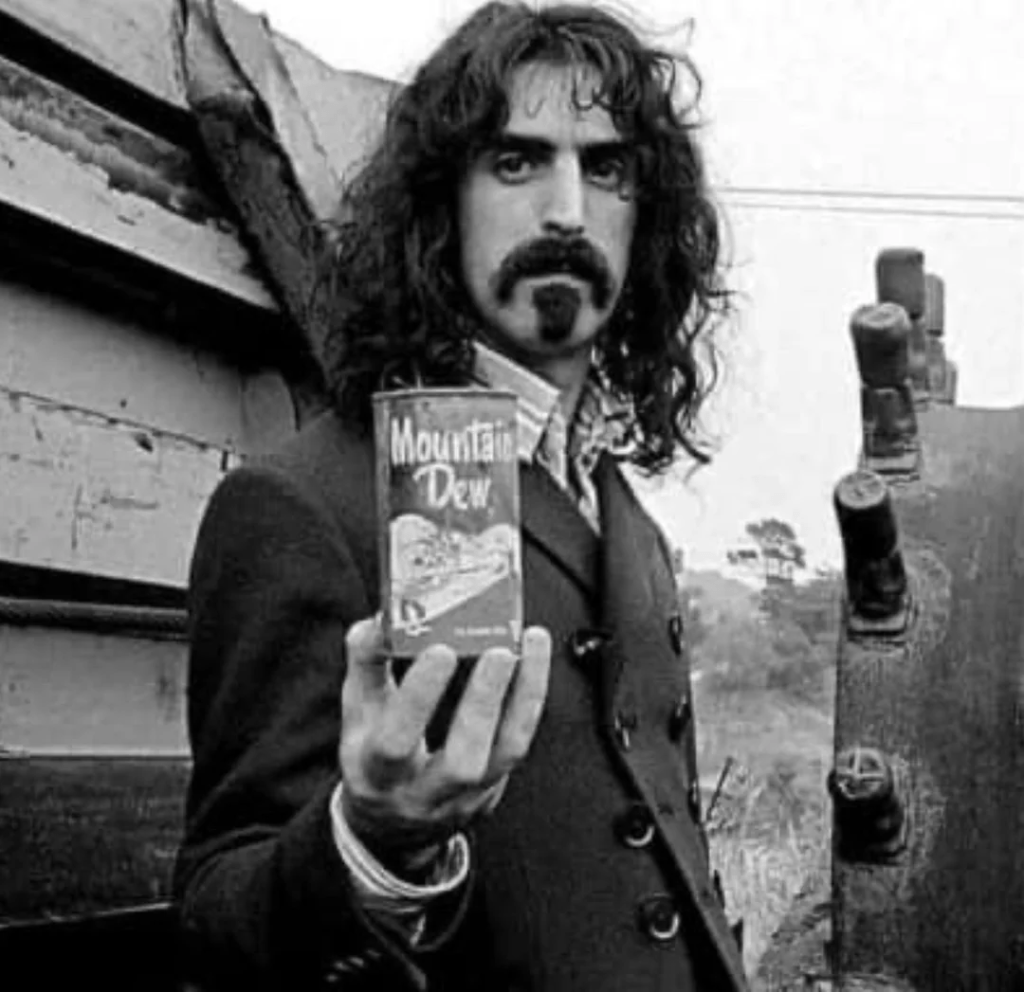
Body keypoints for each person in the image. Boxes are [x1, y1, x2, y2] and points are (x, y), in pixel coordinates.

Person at [174, 3, 746, 990]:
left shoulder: (627, 517)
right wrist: (370, 839)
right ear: (442, 201)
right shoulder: (300, 503)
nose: (566, 210)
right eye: (517, 161)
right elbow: (216, 918)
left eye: (606, 167)